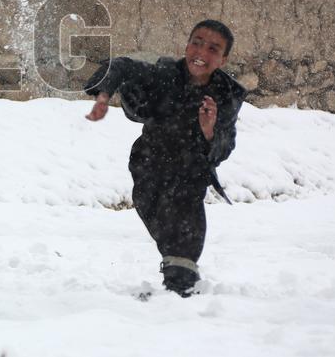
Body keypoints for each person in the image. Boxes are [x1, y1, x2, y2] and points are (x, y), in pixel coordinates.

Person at [84, 20, 246, 297]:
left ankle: (180, 288)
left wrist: (209, 131)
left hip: (191, 169)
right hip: (150, 163)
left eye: (212, 48)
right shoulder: (166, 73)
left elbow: (224, 146)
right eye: (196, 42)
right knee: (162, 221)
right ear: (186, 45)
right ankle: (178, 287)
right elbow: (121, 65)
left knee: (184, 227)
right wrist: (103, 95)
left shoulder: (226, 95)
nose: (201, 52)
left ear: (223, 59)